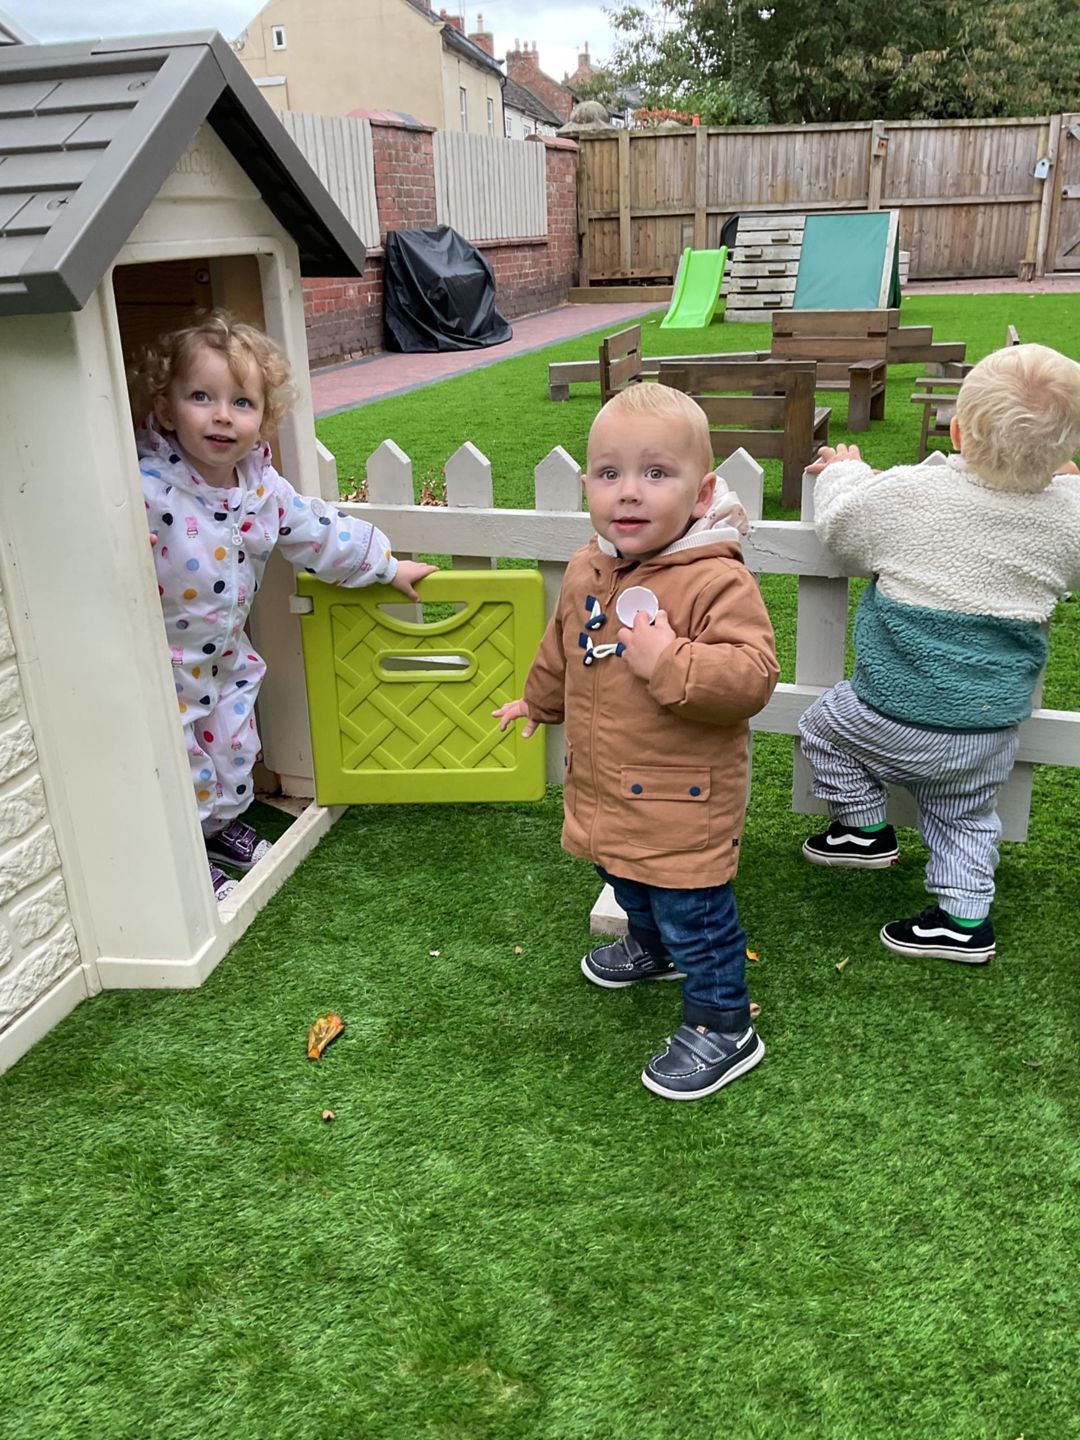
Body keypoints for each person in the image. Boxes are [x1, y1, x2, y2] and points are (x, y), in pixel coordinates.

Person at [494, 383, 779, 1100]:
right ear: (587, 483)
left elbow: (752, 677)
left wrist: (670, 661)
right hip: (606, 783)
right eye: (609, 473)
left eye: (656, 473)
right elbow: (563, 645)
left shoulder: (716, 579)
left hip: (684, 798)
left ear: (701, 488)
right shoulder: (590, 566)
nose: (629, 493)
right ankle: (652, 951)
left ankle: (724, 1023)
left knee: (695, 907)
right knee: (625, 877)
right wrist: (539, 698)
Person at [133, 311, 435, 902]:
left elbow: (316, 529)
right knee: (181, 754)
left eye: (241, 403)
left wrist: (388, 566)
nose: (222, 415)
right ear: (167, 411)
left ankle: (220, 827)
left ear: (262, 419)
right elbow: (100, 526)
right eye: (201, 397)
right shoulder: (146, 486)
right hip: (166, 662)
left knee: (235, 739)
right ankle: (191, 854)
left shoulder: (259, 487)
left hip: (224, 650)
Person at [799, 342, 1080, 964]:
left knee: (819, 727)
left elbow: (843, 528)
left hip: (884, 714)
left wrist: (845, 468)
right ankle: (962, 918)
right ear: (1068, 453)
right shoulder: (1068, 515)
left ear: (955, 429)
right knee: (965, 816)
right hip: (985, 730)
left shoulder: (912, 492)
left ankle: (865, 828)